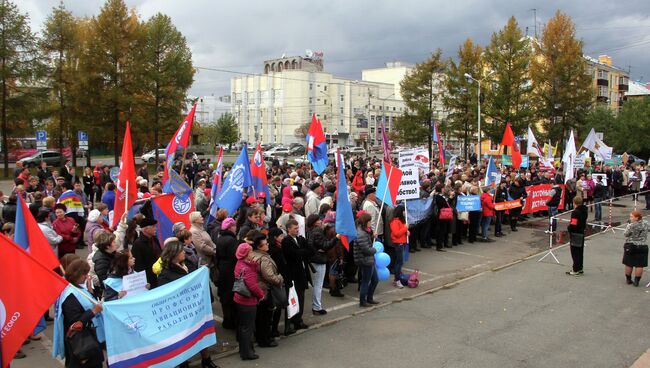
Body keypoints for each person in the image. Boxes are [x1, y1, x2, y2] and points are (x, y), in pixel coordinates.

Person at [157, 240, 219, 368]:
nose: (183, 253)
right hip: (180, 312)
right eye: (181, 251)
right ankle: (183, 363)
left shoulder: (184, 264)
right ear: (173, 254)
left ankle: (206, 361)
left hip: (193, 308)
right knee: (181, 340)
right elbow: (166, 295)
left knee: (200, 334)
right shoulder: (165, 274)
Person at [54, 259, 104, 368]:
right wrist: (94, 311)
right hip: (80, 343)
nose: (86, 277)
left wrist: (90, 290)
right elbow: (74, 320)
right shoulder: (70, 295)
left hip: (88, 339)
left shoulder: (79, 288)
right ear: (78, 275)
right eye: (85, 274)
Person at [250, 232, 283, 347]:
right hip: (264, 290)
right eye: (265, 244)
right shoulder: (264, 259)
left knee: (260, 316)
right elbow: (269, 276)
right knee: (265, 316)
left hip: (257, 290)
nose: (268, 245)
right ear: (260, 247)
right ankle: (264, 340)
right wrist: (279, 278)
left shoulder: (253, 254)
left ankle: (260, 337)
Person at [234, 243, 266, 361]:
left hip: (239, 299)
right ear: (246, 254)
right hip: (248, 302)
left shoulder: (239, 264)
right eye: (251, 252)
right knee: (248, 327)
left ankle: (243, 349)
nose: (253, 253)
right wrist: (261, 295)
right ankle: (247, 353)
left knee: (242, 326)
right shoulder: (247, 268)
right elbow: (253, 286)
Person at [281, 219, 314, 330]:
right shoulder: (286, 241)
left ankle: (298, 319)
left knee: (301, 297)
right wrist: (302, 252)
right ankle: (294, 320)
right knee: (294, 298)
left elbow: (310, 250)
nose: (297, 230)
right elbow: (293, 254)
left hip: (302, 273)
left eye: (298, 228)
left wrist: (302, 252)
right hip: (293, 274)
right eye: (295, 228)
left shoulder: (300, 239)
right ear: (289, 229)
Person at [306, 214, 335, 315]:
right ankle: (317, 307)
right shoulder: (317, 231)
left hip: (314, 259)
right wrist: (336, 238)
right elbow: (325, 245)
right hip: (318, 260)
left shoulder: (310, 230)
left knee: (316, 284)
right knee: (318, 285)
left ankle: (317, 306)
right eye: (318, 220)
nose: (321, 221)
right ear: (314, 222)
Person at [215, 217, 239, 330]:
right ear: (230, 227)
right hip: (230, 270)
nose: (236, 228)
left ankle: (227, 319)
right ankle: (232, 321)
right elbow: (236, 257)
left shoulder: (220, 239)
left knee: (225, 296)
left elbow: (217, 256)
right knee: (231, 296)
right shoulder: (231, 240)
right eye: (234, 226)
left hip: (222, 270)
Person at [354, 212, 379, 307]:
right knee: (365, 281)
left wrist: (373, 237)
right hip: (365, 260)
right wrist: (375, 250)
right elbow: (366, 249)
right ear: (365, 222)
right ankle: (363, 301)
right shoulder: (361, 233)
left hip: (369, 260)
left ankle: (369, 298)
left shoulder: (364, 231)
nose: (370, 223)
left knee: (375, 280)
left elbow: (366, 243)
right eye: (369, 221)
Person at [131, 218, 162, 288]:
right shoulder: (138, 244)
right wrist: (145, 282)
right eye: (153, 226)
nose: (155, 228)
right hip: (150, 280)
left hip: (160, 275)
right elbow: (138, 266)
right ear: (146, 229)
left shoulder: (154, 239)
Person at [622, 210, 649, 286]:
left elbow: (626, 234)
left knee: (629, 263)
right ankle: (637, 281)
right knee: (640, 265)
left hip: (631, 245)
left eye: (631, 216)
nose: (630, 218)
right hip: (642, 245)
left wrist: (628, 225)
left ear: (637, 218)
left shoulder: (631, 225)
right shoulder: (646, 223)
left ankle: (628, 279)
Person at [567, 197, 588, 276]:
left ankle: (575, 269)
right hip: (581, 232)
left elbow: (573, 224)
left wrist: (569, 228)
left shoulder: (575, 212)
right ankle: (580, 268)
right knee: (580, 252)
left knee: (575, 253)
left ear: (574, 202)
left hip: (575, 233)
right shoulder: (584, 211)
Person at [91, 231, 117, 296]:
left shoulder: (111, 253)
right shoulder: (101, 261)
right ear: (107, 246)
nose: (116, 243)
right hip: (109, 292)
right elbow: (104, 281)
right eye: (114, 242)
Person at [389, 206, 408, 289]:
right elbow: (397, 233)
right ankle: (397, 280)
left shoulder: (400, 221)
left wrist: (407, 232)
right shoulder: (394, 221)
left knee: (400, 262)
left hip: (402, 243)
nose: (404, 213)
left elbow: (402, 232)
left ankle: (397, 279)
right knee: (398, 263)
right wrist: (405, 229)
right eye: (404, 211)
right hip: (398, 244)